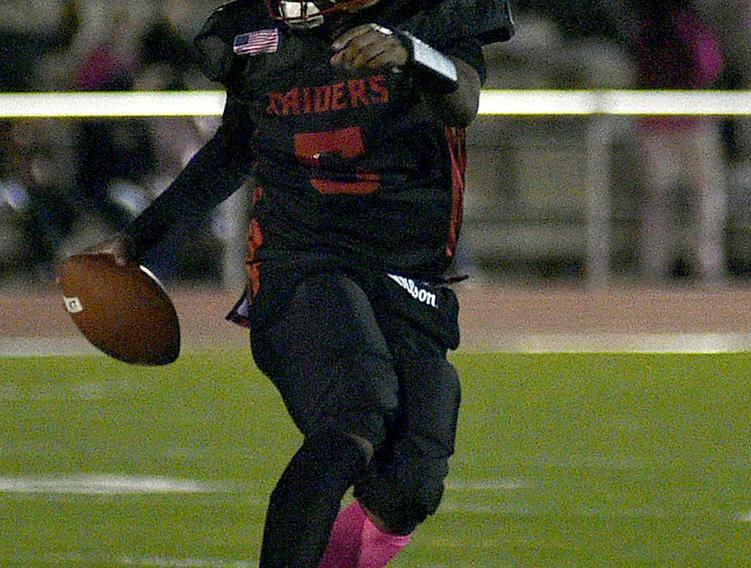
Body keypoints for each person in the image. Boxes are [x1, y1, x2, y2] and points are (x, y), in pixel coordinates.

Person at [82, 0, 513, 565]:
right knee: (356, 413)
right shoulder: (250, 33)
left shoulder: (430, 13)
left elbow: (464, 102)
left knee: (412, 482)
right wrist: (138, 239)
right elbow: (235, 147)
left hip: (408, 264)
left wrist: (411, 53)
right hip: (299, 258)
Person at [626, 0, 726, 282]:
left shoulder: (650, 24)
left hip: (673, 120)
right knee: (683, 197)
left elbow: (709, 66)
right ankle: (701, 268)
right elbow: (710, 67)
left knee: (667, 198)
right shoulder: (675, 24)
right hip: (673, 121)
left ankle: (664, 267)